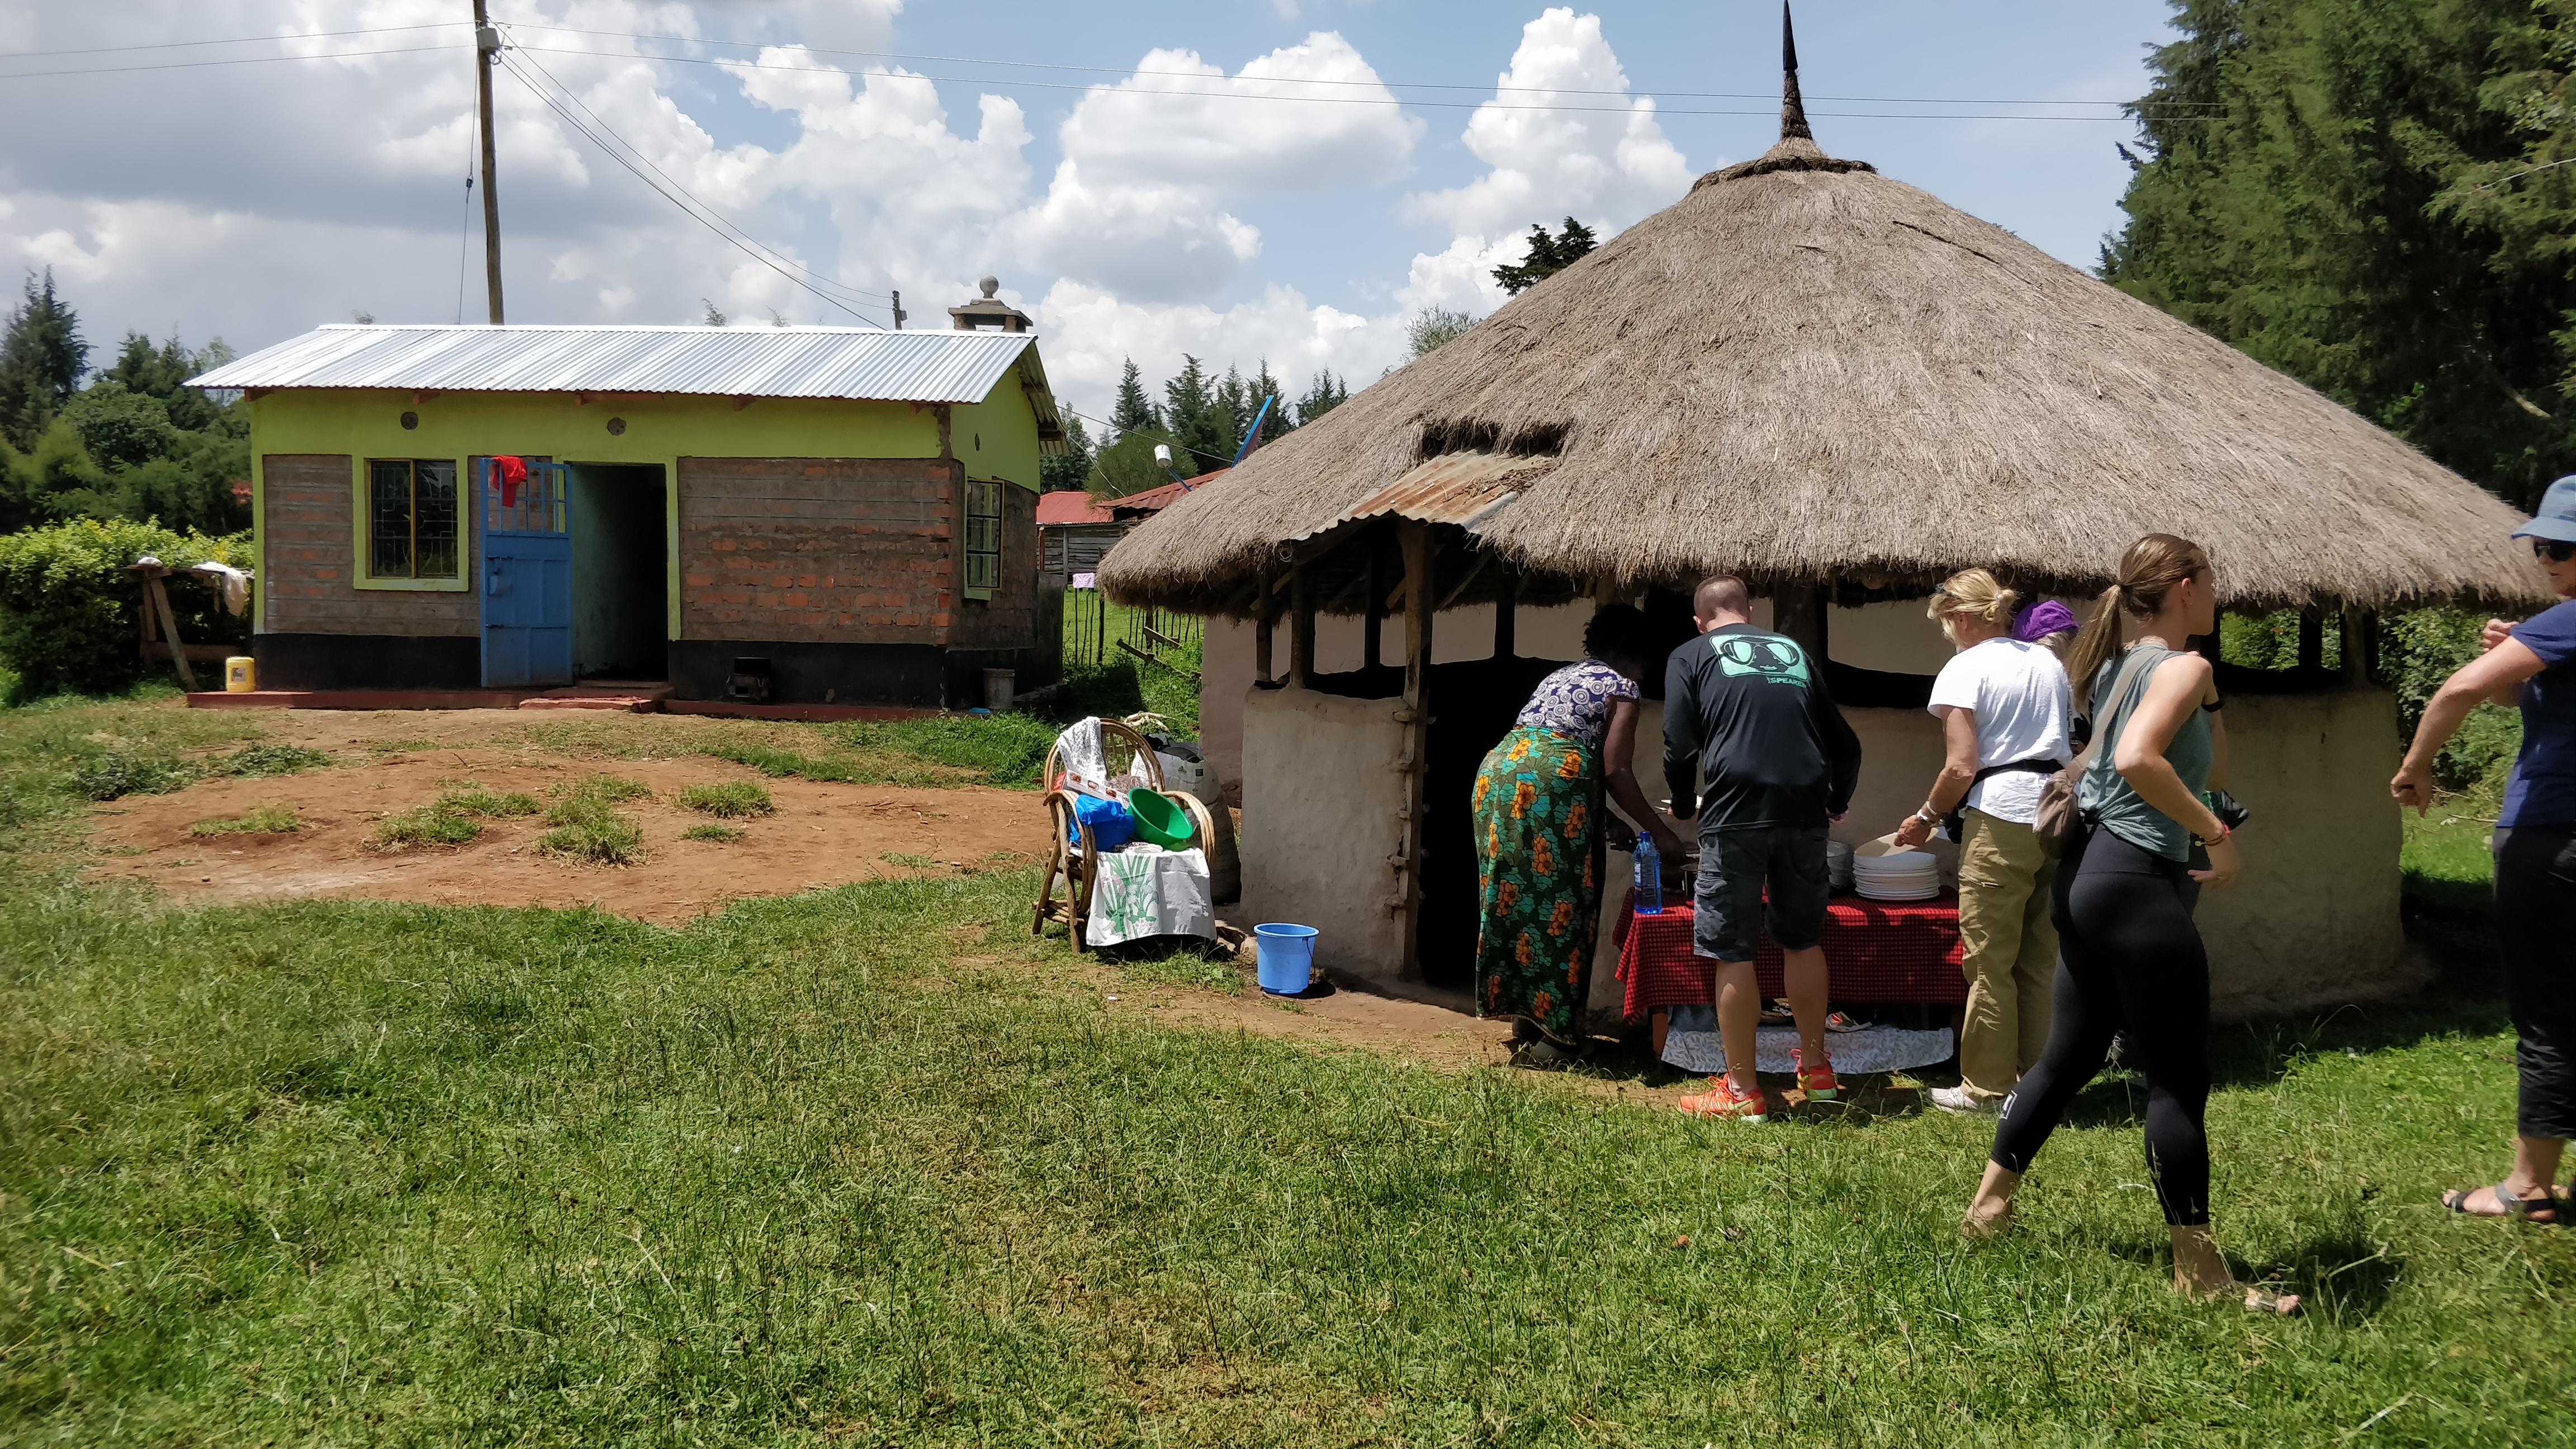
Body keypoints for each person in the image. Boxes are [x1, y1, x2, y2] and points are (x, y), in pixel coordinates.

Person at [1960, 534, 2298, 1315]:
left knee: (2068, 1055)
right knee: (2178, 1078)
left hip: (2085, 879)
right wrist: (2220, 837)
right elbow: (2147, 759)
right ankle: (2201, 1274)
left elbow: (2206, 769)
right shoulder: (2184, 666)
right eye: (2212, 580)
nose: (2219, 593)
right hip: (2139, 884)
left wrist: (2207, 717)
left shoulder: (2119, 667)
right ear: (2185, 586)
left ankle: (1988, 1207)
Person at [2390, 473, 2576, 1224]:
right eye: (2541, 547)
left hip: (2549, 837)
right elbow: (2517, 695)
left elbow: (2457, 692)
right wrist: (2520, 655)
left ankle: (2528, 1185)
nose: (2546, 561)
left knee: (2548, 1011)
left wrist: (2414, 766)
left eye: (2560, 548)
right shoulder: (2557, 628)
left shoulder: (2566, 623)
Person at [1663, 576, 1863, 1121]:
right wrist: (1836, 801)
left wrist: (1684, 803)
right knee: (1803, 941)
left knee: (1734, 950)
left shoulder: (1690, 654)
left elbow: (1680, 744)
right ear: (1749, 612)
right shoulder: (1793, 652)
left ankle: (1742, 1089)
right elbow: (1846, 745)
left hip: (1735, 814)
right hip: (1804, 812)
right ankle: (1818, 1071)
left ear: (1700, 620)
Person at [1892, 569, 2072, 1115]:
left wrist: (1926, 817)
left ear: (1963, 618)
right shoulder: (2046, 662)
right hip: (2058, 814)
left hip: (2001, 816)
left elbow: (1960, 765)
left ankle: (1986, 1090)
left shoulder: (1964, 668)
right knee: (2039, 960)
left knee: (1990, 964)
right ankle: (2041, 1091)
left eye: (1946, 624)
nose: (1947, 635)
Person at [1472, 604, 1688, 1052]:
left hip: (1499, 777)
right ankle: (1557, 1040)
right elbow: (1615, 771)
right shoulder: (1623, 686)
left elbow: (1558, 754)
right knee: (1563, 905)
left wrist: (1606, 820)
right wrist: (1659, 832)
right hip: (1552, 786)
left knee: (1517, 897)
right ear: (1641, 655)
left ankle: (1526, 1022)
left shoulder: (1559, 677)